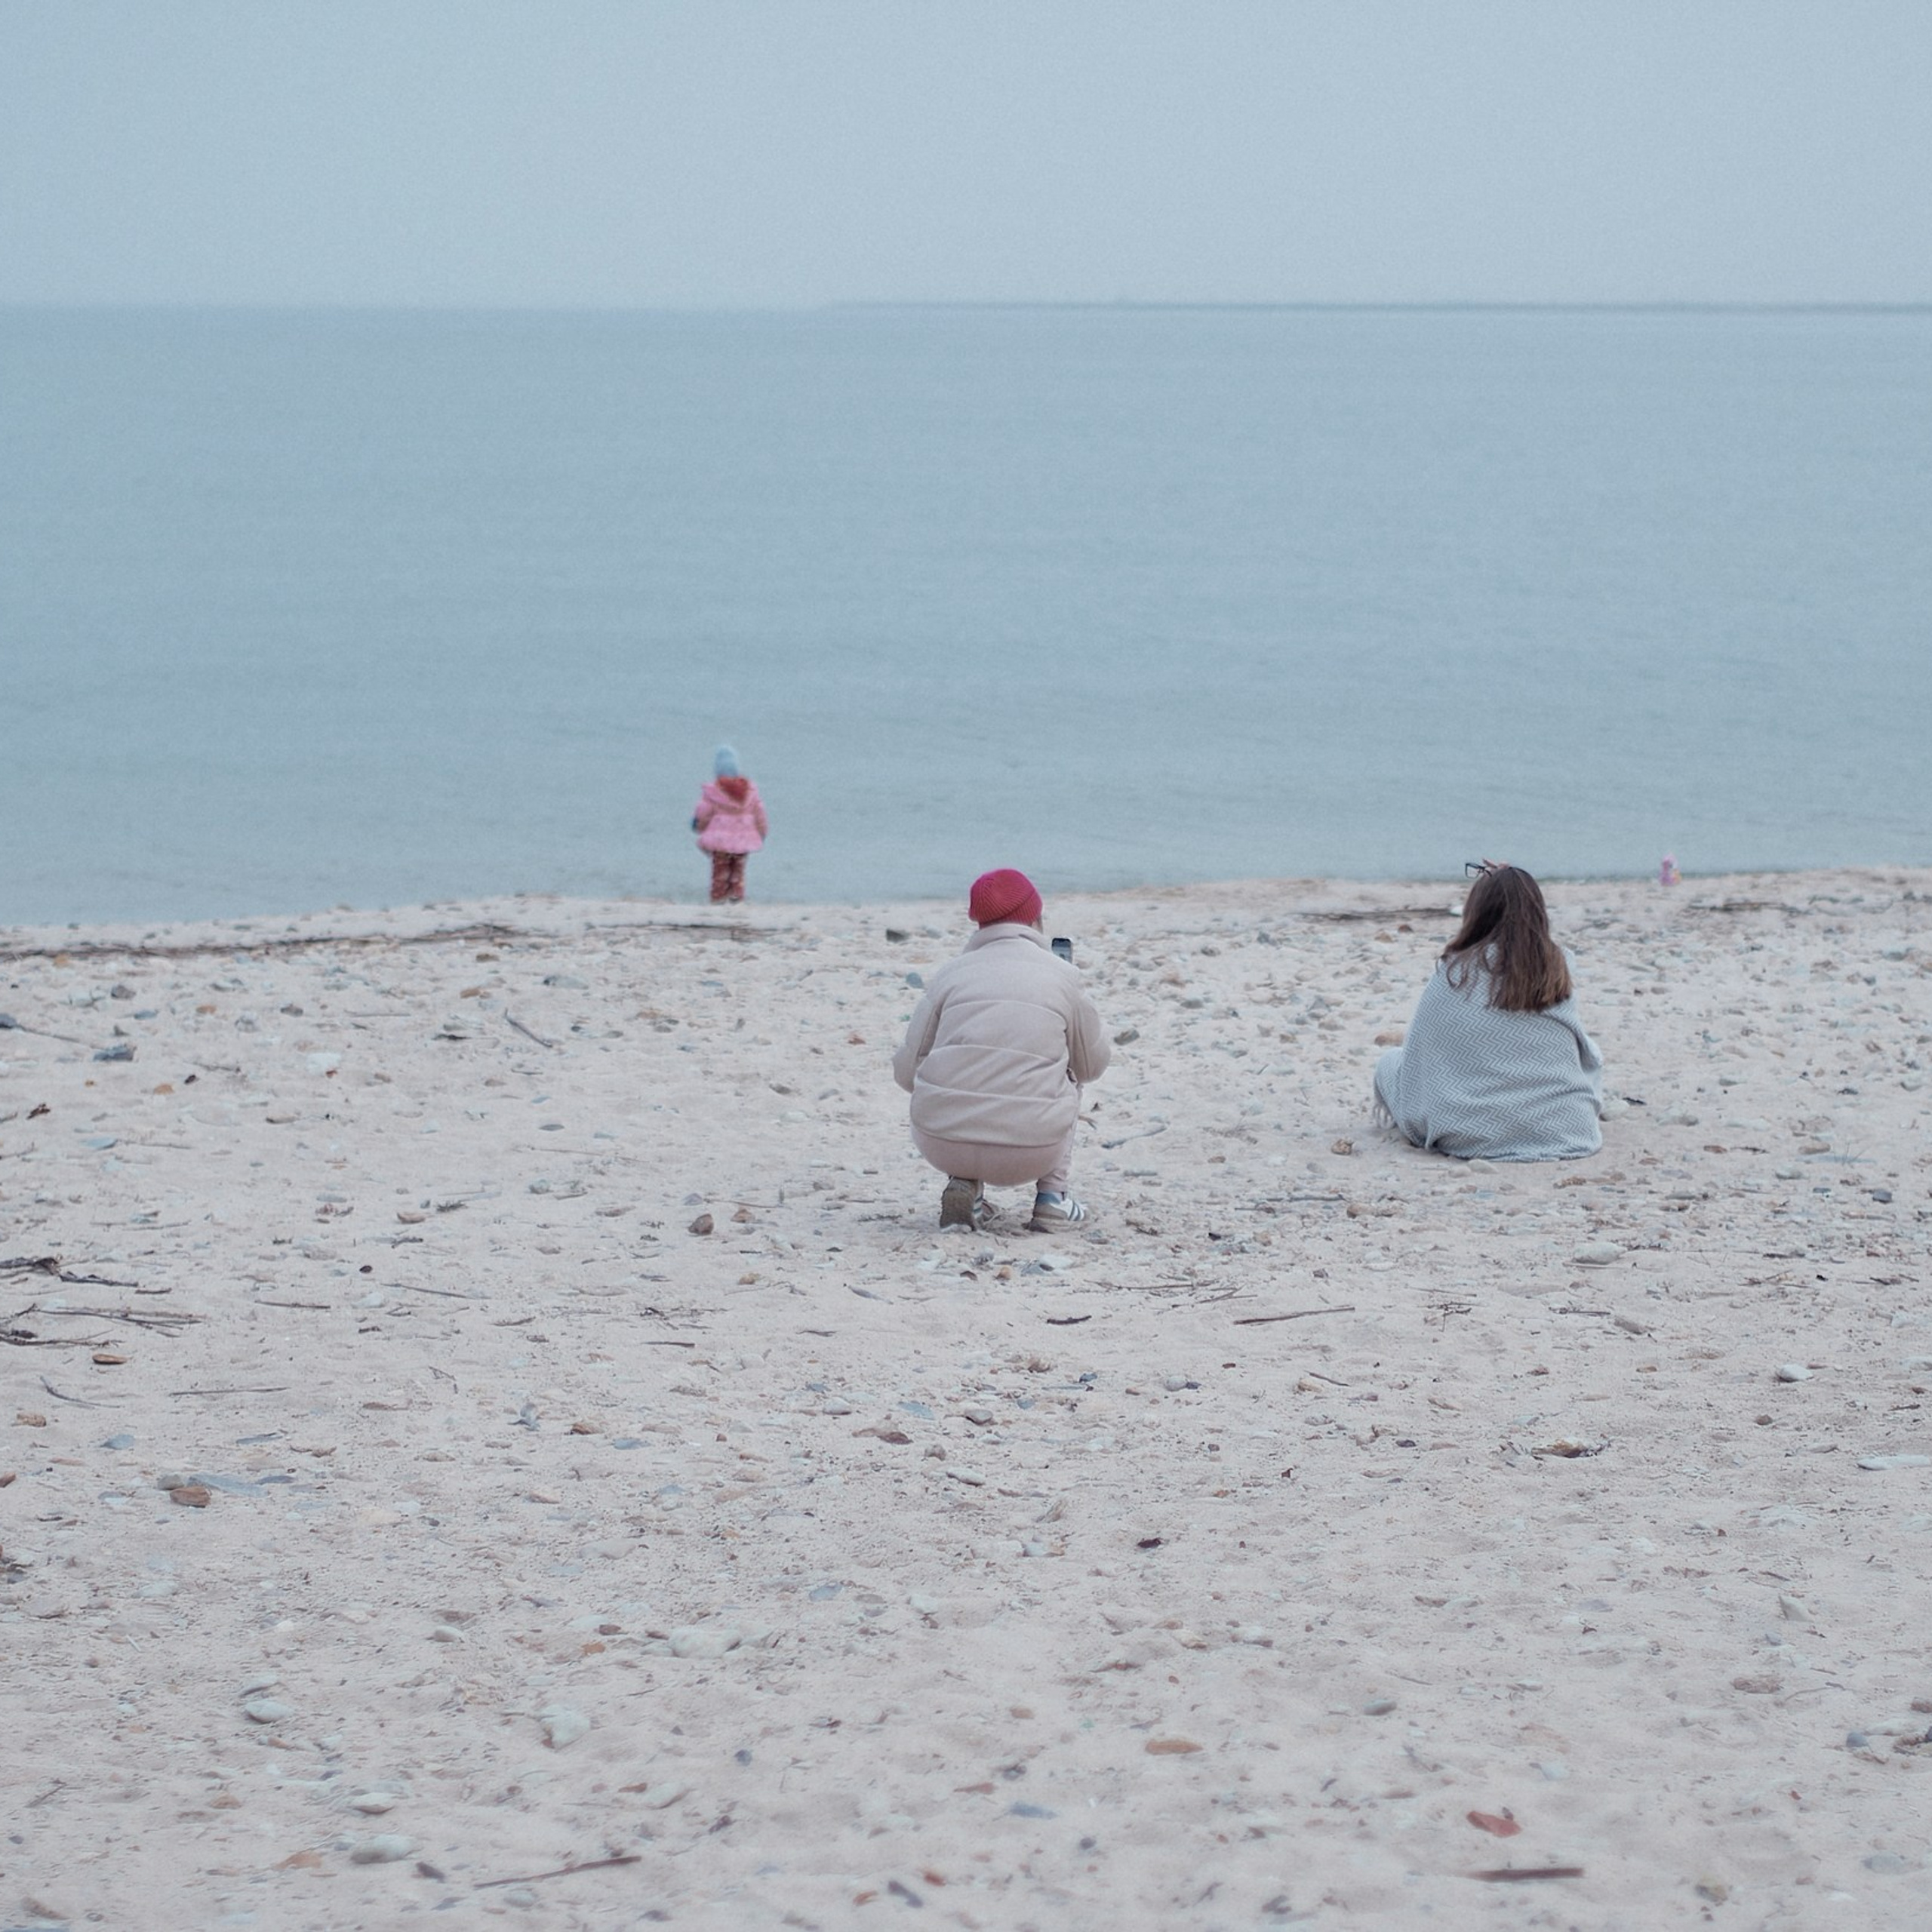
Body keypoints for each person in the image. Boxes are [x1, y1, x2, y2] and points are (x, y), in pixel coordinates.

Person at [892, 868, 1111, 1231]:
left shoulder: (951, 974)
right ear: (1035, 917)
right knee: (1071, 1071)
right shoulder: (1062, 976)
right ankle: (1052, 1198)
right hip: (1033, 1150)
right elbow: (1093, 1067)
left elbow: (906, 1073)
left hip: (942, 1142)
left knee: (961, 1069)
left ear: (979, 923)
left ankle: (966, 1183)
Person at [1373, 861, 1603, 1161]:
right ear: (1538, 912)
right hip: (1565, 1127)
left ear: (1477, 912)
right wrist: (1514, 880)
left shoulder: (1455, 972)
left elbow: (1421, 1054)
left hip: (1468, 1134)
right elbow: (1582, 1051)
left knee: (1391, 1063)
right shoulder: (1558, 966)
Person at [691, 745, 768, 903]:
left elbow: (703, 813)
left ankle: (718, 900)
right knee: (738, 872)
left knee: (720, 873)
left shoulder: (714, 791)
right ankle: (736, 899)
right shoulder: (750, 791)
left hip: (720, 842)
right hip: (743, 841)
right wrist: (762, 833)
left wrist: (698, 826)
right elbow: (760, 813)